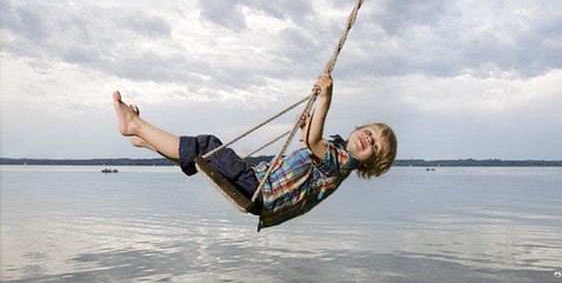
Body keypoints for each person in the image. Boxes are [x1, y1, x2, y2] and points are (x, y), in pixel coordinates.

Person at [113, 73, 397, 230]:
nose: (368, 141)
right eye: (370, 133)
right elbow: (307, 151)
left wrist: (325, 99)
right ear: (361, 128)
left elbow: (313, 144)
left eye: (374, 147)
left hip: (261, 191)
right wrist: (305, 129)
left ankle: (135, 124)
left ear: (369, 164)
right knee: (205, 157)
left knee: (209, 145)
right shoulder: (332, 153)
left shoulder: (342, 163)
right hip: (259, 186)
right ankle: (144, 139)